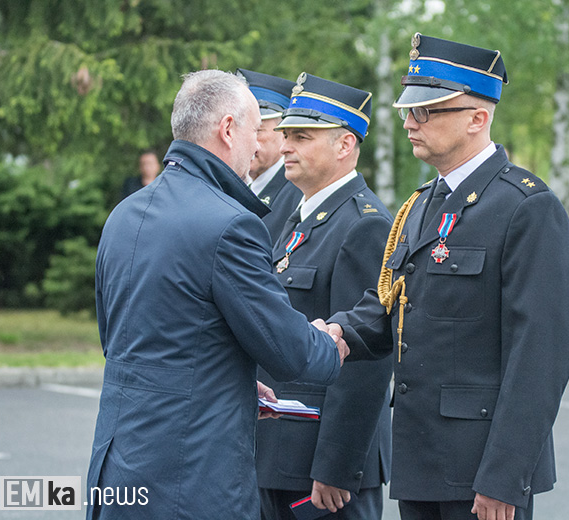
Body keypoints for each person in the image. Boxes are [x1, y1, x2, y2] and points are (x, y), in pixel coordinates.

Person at [325, 34, 569, 520]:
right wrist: (336, 332)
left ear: (477, 118)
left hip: (481, 472)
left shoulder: (526, 208)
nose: (409, 122)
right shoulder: (421, 204)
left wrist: (505, 477)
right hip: (422, 460)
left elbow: (540, 356)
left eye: (425, 111)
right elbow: (394, 305)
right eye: (408, 110)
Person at [86, 69, 348, 520]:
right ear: (228, 130)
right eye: (255, 131)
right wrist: (329, 344)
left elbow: (125, 341)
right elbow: (291, 353)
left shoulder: (124, 214)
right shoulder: (230, 224)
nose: (259, 147)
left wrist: (232, 386)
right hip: (190, 476)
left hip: (118, 469)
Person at [256, 73, 394, 520]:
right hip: (277, 452)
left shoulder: (364, 224)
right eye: (285, 135)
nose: (285, 147)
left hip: (321, 470)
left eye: (302, 137)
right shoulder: (298, 217)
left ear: (344, 145)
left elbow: (367, 355)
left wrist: (337, 464)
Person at [237, 68, 303, 240]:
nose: (247, 141)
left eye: (257, 130)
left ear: (284, 133)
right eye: (240, 131)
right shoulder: (238, 188)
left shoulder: (298, 193)